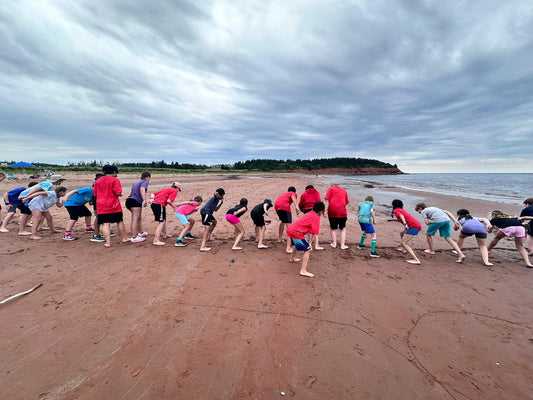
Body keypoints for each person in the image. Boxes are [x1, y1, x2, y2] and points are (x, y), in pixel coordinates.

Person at [286, 201, 325, 278]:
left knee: (296, 245)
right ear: (320, 212)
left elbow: (310, 230)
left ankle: (292, 258)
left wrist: (309, 242)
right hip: (296, 232)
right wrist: (309, 243)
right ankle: (303, 271)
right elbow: (313, 232)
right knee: (308, 249)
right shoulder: (316, 217)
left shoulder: (309, 213)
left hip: (290, 229)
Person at [93, 165, 129, 247]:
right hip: (114, 205)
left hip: (101, 205)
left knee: (105, 224)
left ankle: (108, 242)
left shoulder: (97, 181)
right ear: (114, 172)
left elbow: (95, 194)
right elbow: (118, 192)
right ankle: (124, 238)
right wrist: (119, 194)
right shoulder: (115, 180)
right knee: (119, 221)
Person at [391, 199, 421, 264]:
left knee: (403, 243)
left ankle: (416, 260)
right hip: (414, 225)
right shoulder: (401, 210)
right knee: (401, 233)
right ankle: (403, 249)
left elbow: (401, 216)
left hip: (413, 226)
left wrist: (405, 224)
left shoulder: (396, 210)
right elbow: (404, 217)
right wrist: (392, 220)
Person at [126, 171, 151, 243]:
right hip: (135, 201)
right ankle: (134, 237)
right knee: (135, 219)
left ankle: (140, 232)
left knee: (138, 218)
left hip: (130, 200)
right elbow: (142, 189)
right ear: (148, 177)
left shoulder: (137, 182)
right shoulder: (145, 182)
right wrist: (144, 200)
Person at [274, 187, 300, 253]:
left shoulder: (284, 194)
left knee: (283, 221)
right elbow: (293, 196)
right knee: (289, 226)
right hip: (284, 206)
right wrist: (297, 206)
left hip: (277, 206)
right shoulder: (292, 193)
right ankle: (288, 248)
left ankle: (279, 238)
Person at [324, 183, 349, 250]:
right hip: (342, 211)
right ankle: (342, 245)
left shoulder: (331, 189)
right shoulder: (344, 190)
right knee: (343, 228)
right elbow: (346, 202)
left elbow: (326, 198)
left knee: (333, 228)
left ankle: (334, 244)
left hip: (332, 211)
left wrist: (326, 196)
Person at [89, 173, 106, 243]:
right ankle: (96, 234)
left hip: (99, 202)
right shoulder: (97, 182)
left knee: (101, 217)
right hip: (98, 203)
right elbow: (94, 191)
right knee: (98, 217)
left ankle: (102, 232)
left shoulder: (97, 181)